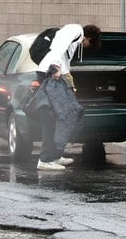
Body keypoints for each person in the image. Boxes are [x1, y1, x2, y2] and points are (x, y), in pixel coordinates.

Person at [33, 23, 102, 171]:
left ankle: (55, 156)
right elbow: (58, 46)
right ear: (89, 38)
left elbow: (64, 55)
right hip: (50, 73)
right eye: (89, 44)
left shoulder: (75, 34)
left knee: (62, 115)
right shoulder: (76, 30)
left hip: (54, 73)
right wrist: (56, 67)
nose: (86, 47)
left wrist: (65, 74)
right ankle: (45, 160)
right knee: (54, 117)